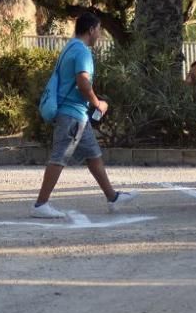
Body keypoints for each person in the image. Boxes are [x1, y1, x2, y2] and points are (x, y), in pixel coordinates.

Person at [33, 13, 137, 219]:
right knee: (59, 157)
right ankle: (40, 204)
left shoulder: (70, 47)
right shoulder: (82, 52)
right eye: (99, 29)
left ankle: (112, 197)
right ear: (91, 30)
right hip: (72, 115)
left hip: (77, 115)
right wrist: (98, 103)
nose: (100, 34)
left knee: (93, 155)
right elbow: (83, 82)